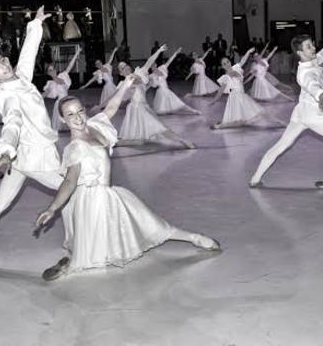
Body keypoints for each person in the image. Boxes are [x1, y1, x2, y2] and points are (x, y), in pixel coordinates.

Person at [34, 78, 220, 280]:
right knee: (95, 254)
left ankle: (195, 238)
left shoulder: (94, 125)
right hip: (92, 201)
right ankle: (69, 264)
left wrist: (124, 85)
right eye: (70, 114)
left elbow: (111, 108)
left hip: (109, 193)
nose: (77, 117)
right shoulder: (74, 148)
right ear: (62, 119)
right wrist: (52, 208)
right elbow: (70, 181)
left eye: (80, 111)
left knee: (150, 223)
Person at [0, 6, 65, 267]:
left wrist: (35, 24)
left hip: (20, 159)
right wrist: (6, 152)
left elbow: (28, 54)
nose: (3, 68)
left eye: (3, 62)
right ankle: (81, 242)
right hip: (31, 156)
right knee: (73, 188)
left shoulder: (20, 76)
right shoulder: (6, 98)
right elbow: (12, 123)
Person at [249, 36, 323, 187]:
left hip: (301, 113)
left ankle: (255, 179)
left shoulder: (311, 60)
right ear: (300, 52)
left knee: (281, 145)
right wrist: (320, 94)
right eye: (308, 47)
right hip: (313, 115)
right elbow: (311, 84)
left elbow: (319, 56)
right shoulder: (304, 73)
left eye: (312, 44)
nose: (313, 48)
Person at [111, 45, 196, 149]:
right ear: (120, 72)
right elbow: (114, 96)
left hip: (143, 106)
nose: (125, 67)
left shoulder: (139, 72)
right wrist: (101, 106)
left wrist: (159, 51)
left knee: (142, 139)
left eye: (126, 65)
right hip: (136, 109)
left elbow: (149, 62)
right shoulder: (125, 82)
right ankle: (183, 141)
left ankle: (117, 142)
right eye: (122, 68)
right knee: (157, 128)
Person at [208, 48, 287, 130]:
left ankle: (281, 122)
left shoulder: (236, 67)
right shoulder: (226, 77)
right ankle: (219, 126)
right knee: (246, 118)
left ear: (230, 61)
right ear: (222, 67)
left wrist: (248, 52)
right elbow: (220, 91)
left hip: (242, 96)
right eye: (224, 64)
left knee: (257, 113)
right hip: (236, 98)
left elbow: (242, 61)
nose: (227, 64)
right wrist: (213, 101)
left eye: (227, 62)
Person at [151, 47, 200, 115]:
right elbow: (152, 85)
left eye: (154, 64)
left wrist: (175, 53)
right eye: (151, 66)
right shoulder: (152, 76)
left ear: (156, 64)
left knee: (178, 103)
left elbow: (169, 61)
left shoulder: (162, 68)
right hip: (161, 92)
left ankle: (193, 111)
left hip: (166, 90)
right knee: (164, 108)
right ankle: (192, 111)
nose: (153, 66)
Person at [43, 45, 80, 131]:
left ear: (55, 70)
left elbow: (70, 65)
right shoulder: (50, 84)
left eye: (53, 69)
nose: (52, 71)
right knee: (62, 123)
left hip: (67, 100)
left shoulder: (62, 76)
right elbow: (43, 95)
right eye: (50, 70)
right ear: (48, 73)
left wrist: (77, 53)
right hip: (60, 103)